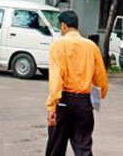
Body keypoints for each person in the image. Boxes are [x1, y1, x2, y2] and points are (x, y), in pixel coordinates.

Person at [46, 11, 109, 156]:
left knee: (56, 147)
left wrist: (52, 106)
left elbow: (56, 78)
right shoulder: (91, 47)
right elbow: (100, 78)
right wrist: (100, 95)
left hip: (63, 101)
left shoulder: (57, 46)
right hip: (84, 103)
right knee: (83, 147)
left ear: (63, 26)